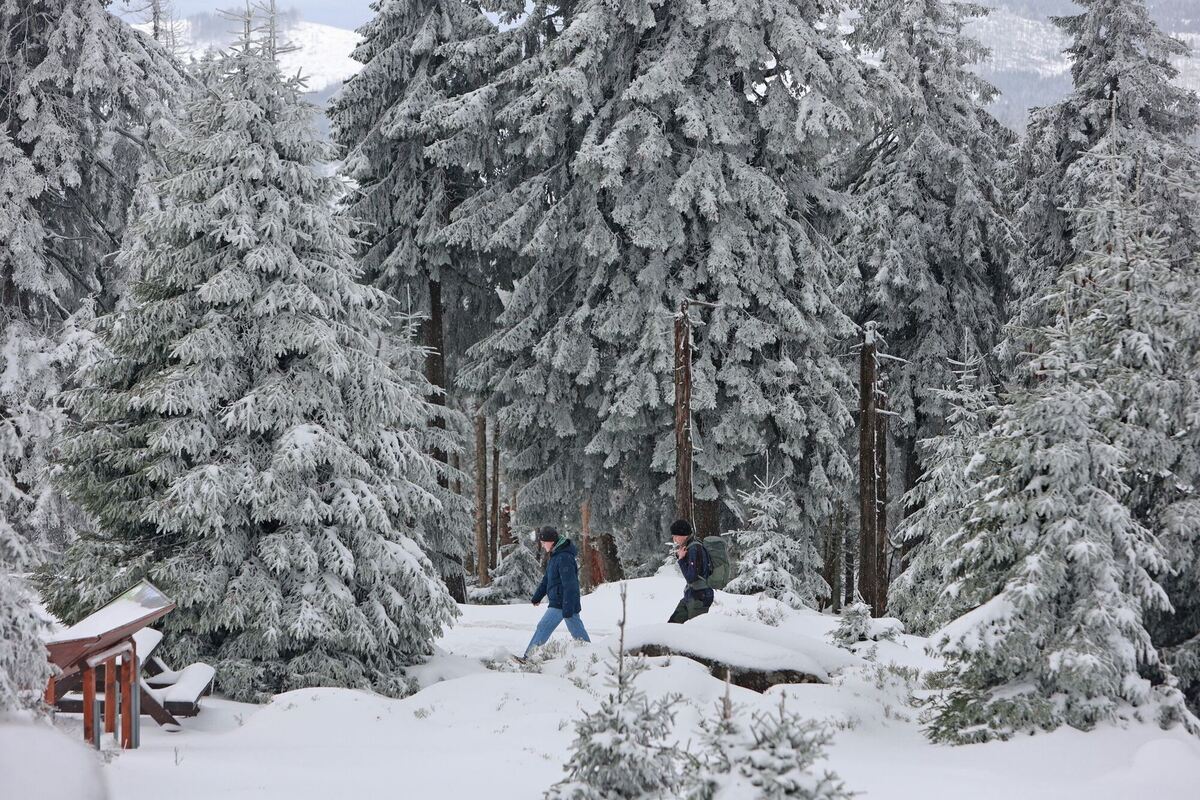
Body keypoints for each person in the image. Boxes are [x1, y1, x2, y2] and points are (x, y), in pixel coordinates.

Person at [522, 526, 590, 658]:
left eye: (543, 542)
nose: (542, 545)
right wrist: (537, 597)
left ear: (551, 541)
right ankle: (592, 655)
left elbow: (570, 584)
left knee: (543, 626)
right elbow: (547, 579)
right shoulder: (556, 556)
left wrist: (567, 606)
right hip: (564, 602)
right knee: (577, 632)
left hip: (562, 602)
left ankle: (529, 657)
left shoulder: (564, 557)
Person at [667, 518, 714, 624]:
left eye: (675, 536)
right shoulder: (690, 546)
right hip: (692, 595)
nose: (674, 539)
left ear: (682, 534)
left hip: (700, 597)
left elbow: (691, 577)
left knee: (696, 630)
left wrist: (681, 559)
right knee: (672, 625)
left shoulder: (694, 548)